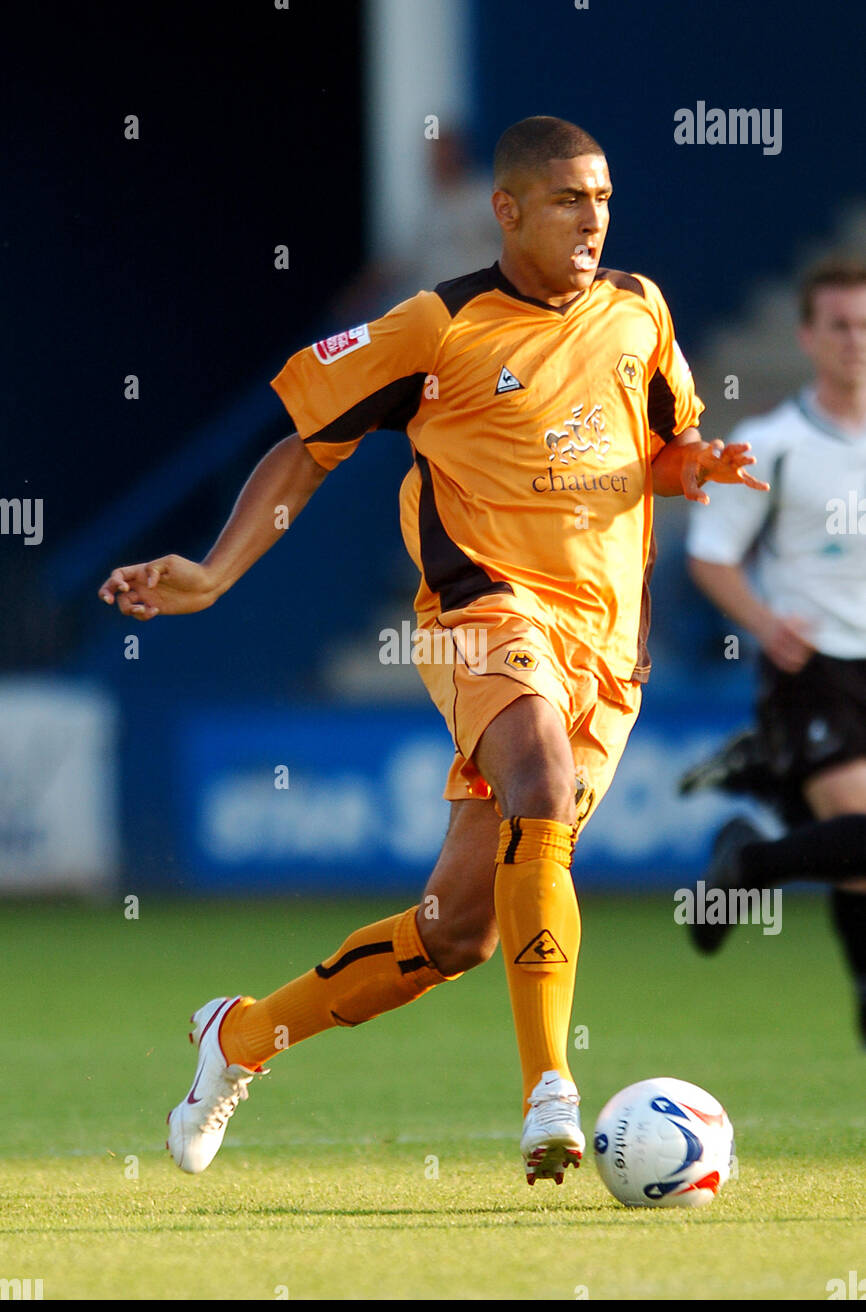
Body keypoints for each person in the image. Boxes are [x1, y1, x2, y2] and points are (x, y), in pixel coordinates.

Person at [99, 116, 762, 1185]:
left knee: (457, 931)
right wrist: (215, 574)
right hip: (480, 612)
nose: (592, 219)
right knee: (537, 776)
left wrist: (698, 465)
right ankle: (549, 1086)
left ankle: (238, 1038)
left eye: (601, 198)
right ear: (506, 210)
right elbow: (305, 447)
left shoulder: (638, 308)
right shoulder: (435, 326)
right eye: (566, 200)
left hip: (605, 644)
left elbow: (654, 444)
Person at [685, 258, 866, 1040]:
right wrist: (764, 623)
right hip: (814, 667)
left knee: (857, 870)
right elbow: (711, 555)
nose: (857, 340)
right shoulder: (774, 443)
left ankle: (747, 859)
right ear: (807, 335)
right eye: (840, 325)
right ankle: (749, 865)